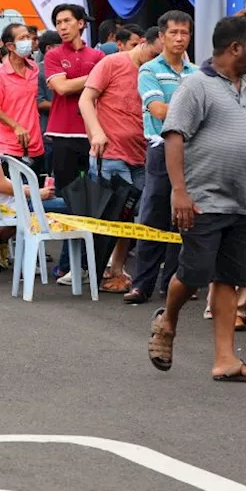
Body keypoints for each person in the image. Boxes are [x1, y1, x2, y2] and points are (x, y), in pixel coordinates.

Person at [147, 15, 246, 383]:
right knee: (193, 273)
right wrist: (179, 192)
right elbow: (174, 137)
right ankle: (168, 319)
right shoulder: (196, 86)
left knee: (229, 278)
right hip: (204, 200)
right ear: (235, 47)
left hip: (243, 203)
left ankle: (225, 360)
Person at [125, 10, 197, 305]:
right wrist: (195, 113)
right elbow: (157, 109)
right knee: (154, 216)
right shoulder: (149, 70)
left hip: (192, 150)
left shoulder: (196, 74)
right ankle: (142, 285)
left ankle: (174, 283)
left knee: (184, 219)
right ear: (161, 36)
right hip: (160, 147)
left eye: (185, 33)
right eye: (174, 33)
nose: (179, 38)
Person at [80, 20, 155, 292]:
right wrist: (97, 132)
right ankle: (97, 269)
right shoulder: (112, 63)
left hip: (144, 154)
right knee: (111, 215)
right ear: (146, 44)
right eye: (155, 55)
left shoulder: (160, 71)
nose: (157, 62)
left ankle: (117, 268)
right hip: (110, 153)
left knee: (135, 217)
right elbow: (85, 100)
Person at [45, 4, 105, 195]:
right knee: (66, 192)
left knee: (96, 190)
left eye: (67, 21)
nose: (62, 27)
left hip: (93, 132)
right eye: (58, 23)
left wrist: (76, 82)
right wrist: (96, 77)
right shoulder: (53, 55)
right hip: (62, 132)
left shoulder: (98, 55)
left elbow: (104, 88)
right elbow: (62, 88)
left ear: (80, 23)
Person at [0, 22, 44, 170]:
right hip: (10, 146)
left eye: (29, 37)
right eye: (23, 38)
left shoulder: (35, 69)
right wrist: (16, 126)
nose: (28, 41)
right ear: (10, 46)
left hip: (36, 143)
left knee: (38, 190)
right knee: (15, 192)